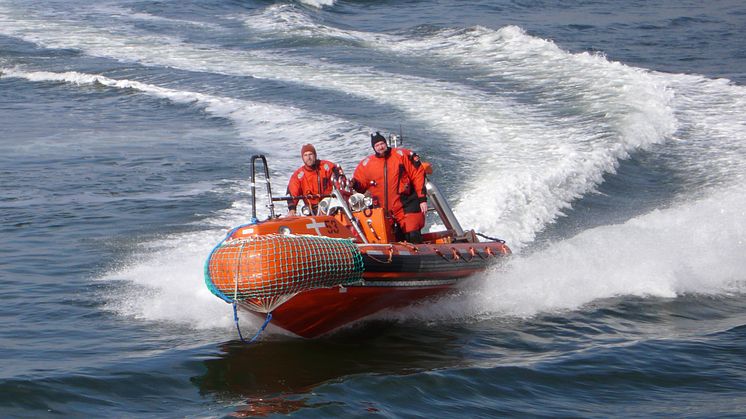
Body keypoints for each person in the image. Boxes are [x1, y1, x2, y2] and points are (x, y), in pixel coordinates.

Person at [352, 132, 428, 243]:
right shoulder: (367, 165)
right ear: (373, 148)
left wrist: (422, 199)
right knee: (388, 237)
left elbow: (418, 175)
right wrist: (353, 183)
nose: (380, 147)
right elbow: (361, 185)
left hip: (407, 204)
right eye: (377, 145)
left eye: (382, 143)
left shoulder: (401, 156)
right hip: (384, 210)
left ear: (386, 143)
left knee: (412, 233)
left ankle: (420, 255)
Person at [286, 143, 341, 216]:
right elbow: (292, 193)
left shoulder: (327, 167)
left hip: (330, 207)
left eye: (310, 154)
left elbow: (340, 183)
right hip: (311, 211)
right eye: (305, 155)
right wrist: (292, 209)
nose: (308, 157)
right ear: (302, 157)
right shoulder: (298, 176)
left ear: (315, 155)